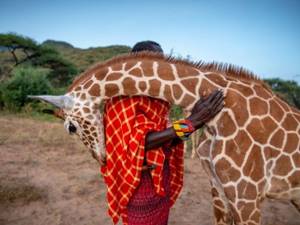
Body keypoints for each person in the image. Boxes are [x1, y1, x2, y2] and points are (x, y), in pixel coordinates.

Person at [101, 41, 224, 225]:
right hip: (138, 184)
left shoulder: (159, 100)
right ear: (134, 63)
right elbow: (141, 141)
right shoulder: (121, 98)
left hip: (160, 178)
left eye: (161, 62)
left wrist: (195, 123)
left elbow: (168, 139)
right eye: (151, 61)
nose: (157, 67)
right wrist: (193, 121)